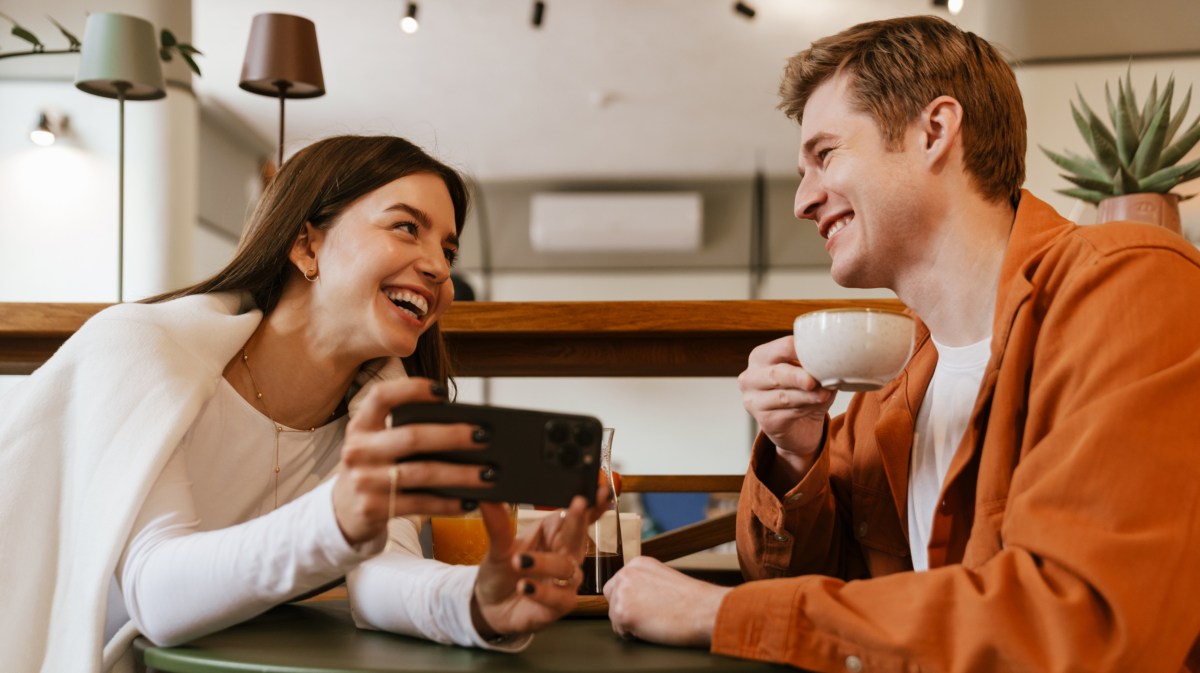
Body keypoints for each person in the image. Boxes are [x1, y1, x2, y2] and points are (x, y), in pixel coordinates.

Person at [604, 15, 1200, 672]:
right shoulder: (895, 377)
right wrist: (795, 453)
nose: (802, 201)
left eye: (825, 154)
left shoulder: (1130, 283)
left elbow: (1084, 627)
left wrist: (714, 614)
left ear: (934, 132)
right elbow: (814, 587)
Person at [0, 135, 603, 673]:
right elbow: (155, 593)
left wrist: (479, 603)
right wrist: (335, 520)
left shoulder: (381, 410)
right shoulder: (144, 347)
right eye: (405, 227)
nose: (437, 269)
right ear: (305, 244)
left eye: (447, 250)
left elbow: (380, 577)